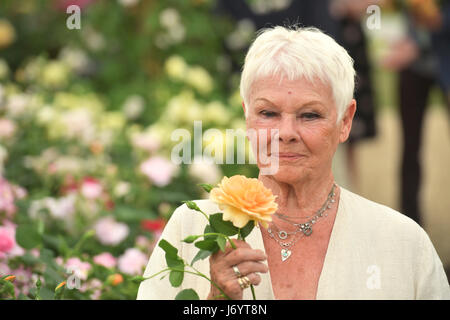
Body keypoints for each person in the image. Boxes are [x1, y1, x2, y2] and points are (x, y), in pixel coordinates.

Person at [137, 26, 450, 300]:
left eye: (309, 115)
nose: (285, 133)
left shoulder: (404, 245)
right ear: (247, 117)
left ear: (345, 121)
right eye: (268, 113)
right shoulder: (190, 228)